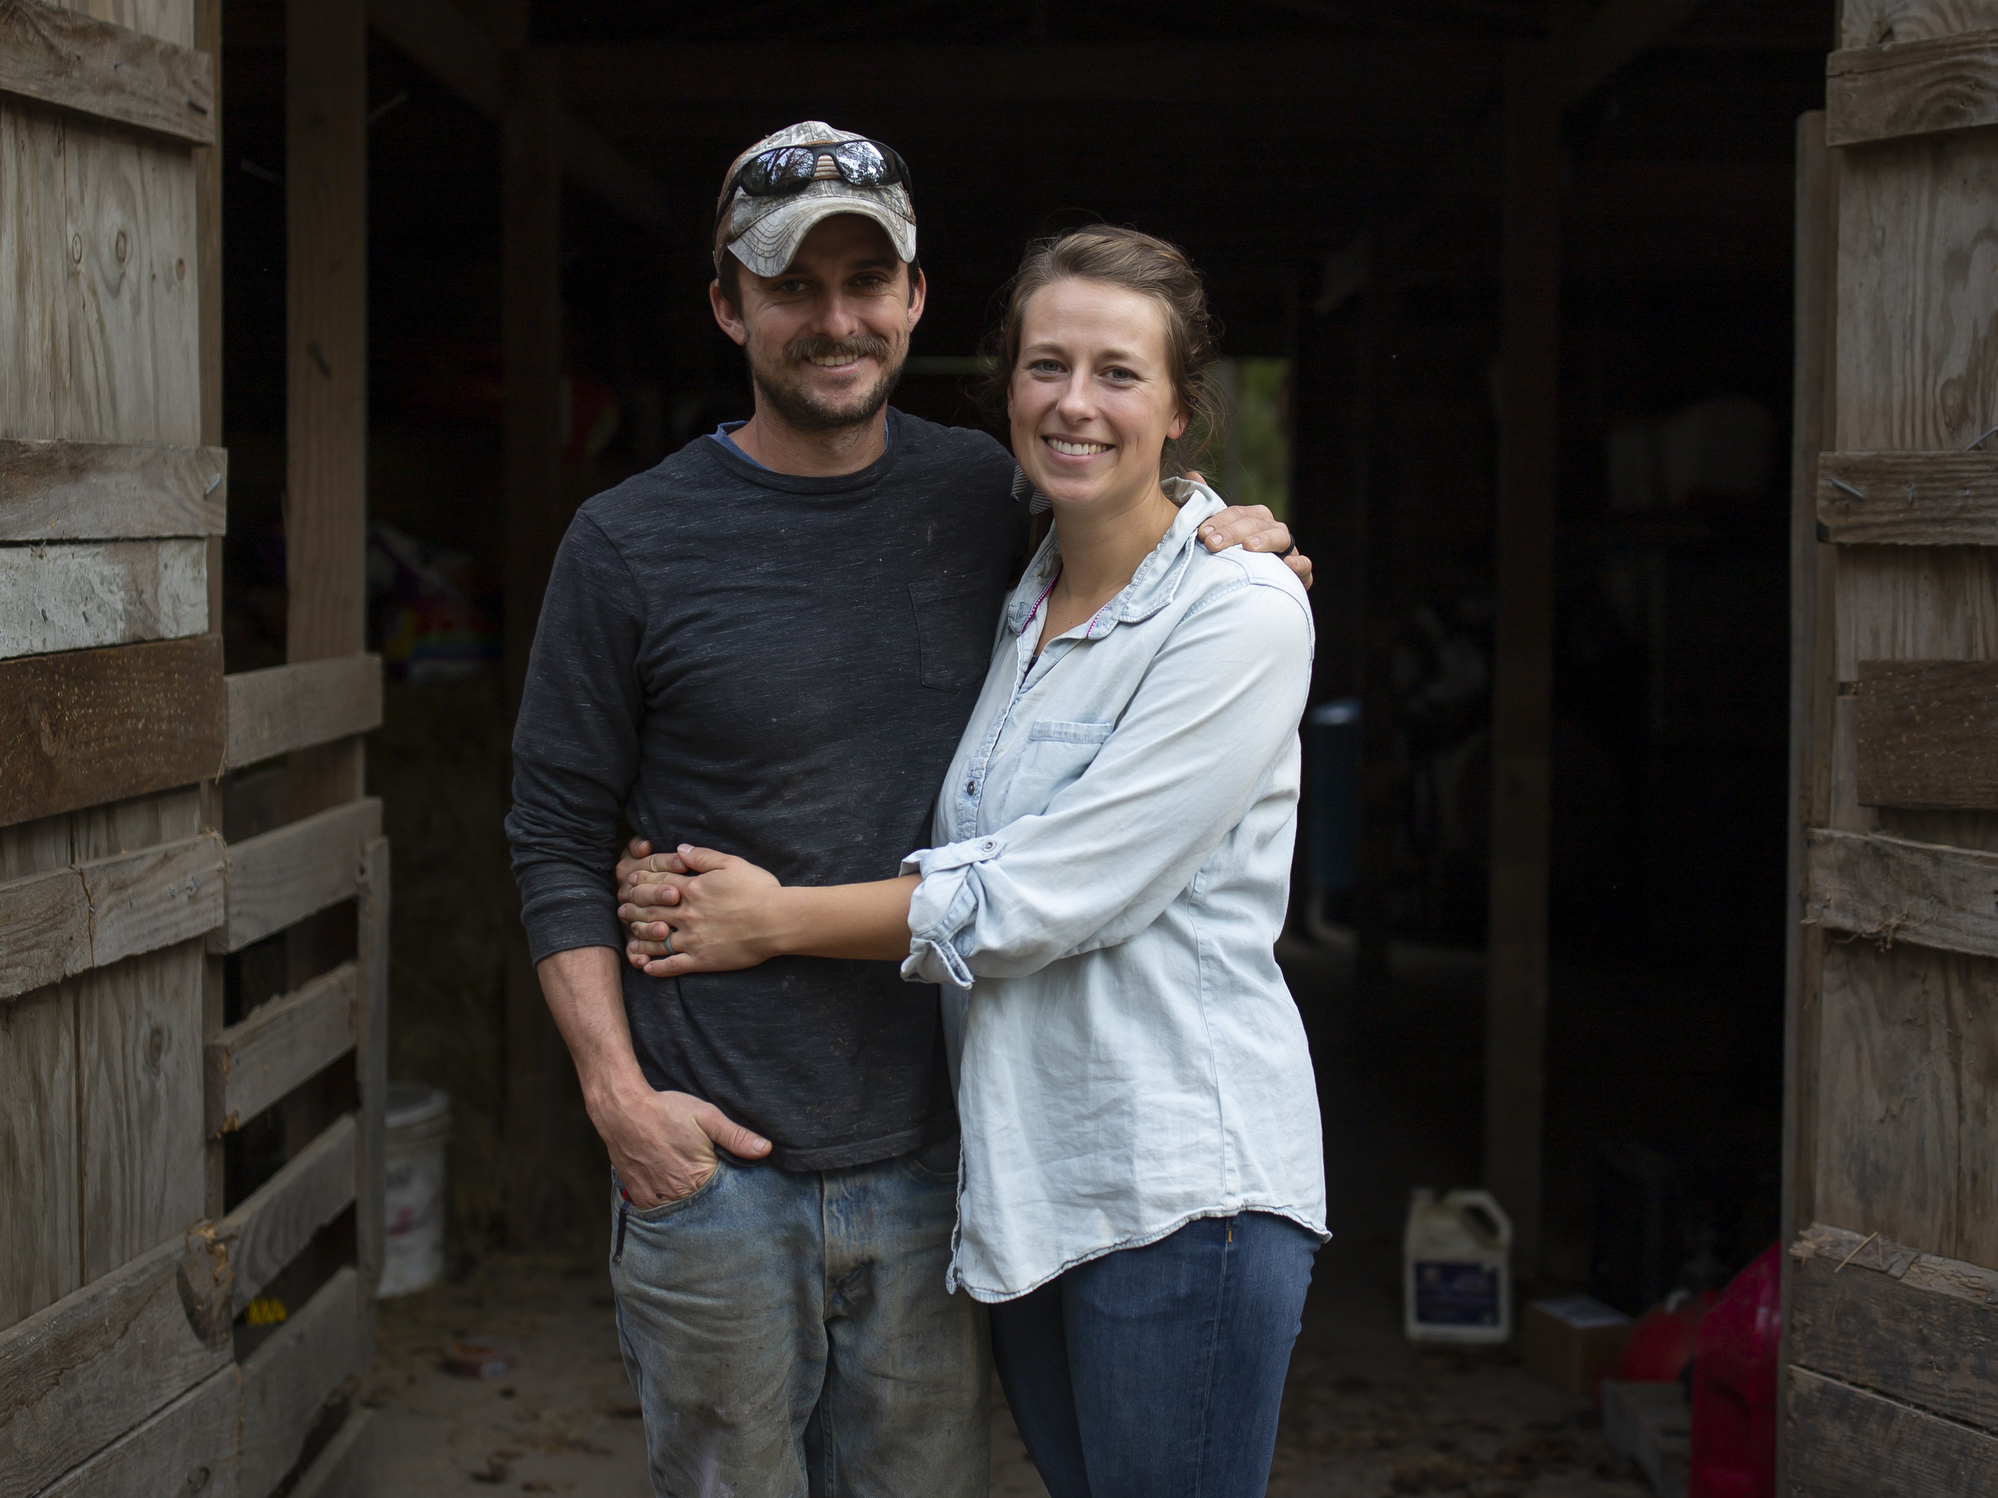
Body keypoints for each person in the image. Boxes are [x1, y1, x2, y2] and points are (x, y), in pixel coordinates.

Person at [504, 122, 1308, 1498]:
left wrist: (1228, 523)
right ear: (728, 306)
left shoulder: (983, 500)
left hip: (945, 1166)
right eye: (790, 285)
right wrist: (618, 1099)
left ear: (916, 297)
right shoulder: (628, 541)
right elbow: (553, 832)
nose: (835, 319)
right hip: (716, 1164)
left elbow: (1124, 495)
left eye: (866, 280)